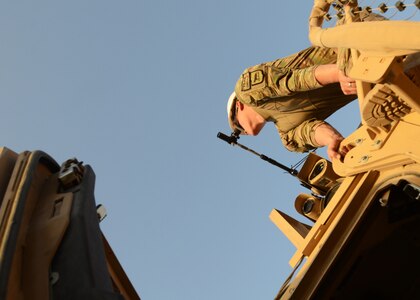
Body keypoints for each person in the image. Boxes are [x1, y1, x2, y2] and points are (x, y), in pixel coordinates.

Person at [226, 46, 358, 161]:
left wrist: (340, 73)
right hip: (367, 79)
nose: (243, 132)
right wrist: (333, 140)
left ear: (239, 105)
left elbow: (295, 80)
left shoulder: (245, 90)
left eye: (237, 125)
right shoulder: (287, 137)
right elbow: (311, 132)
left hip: (350, 49)